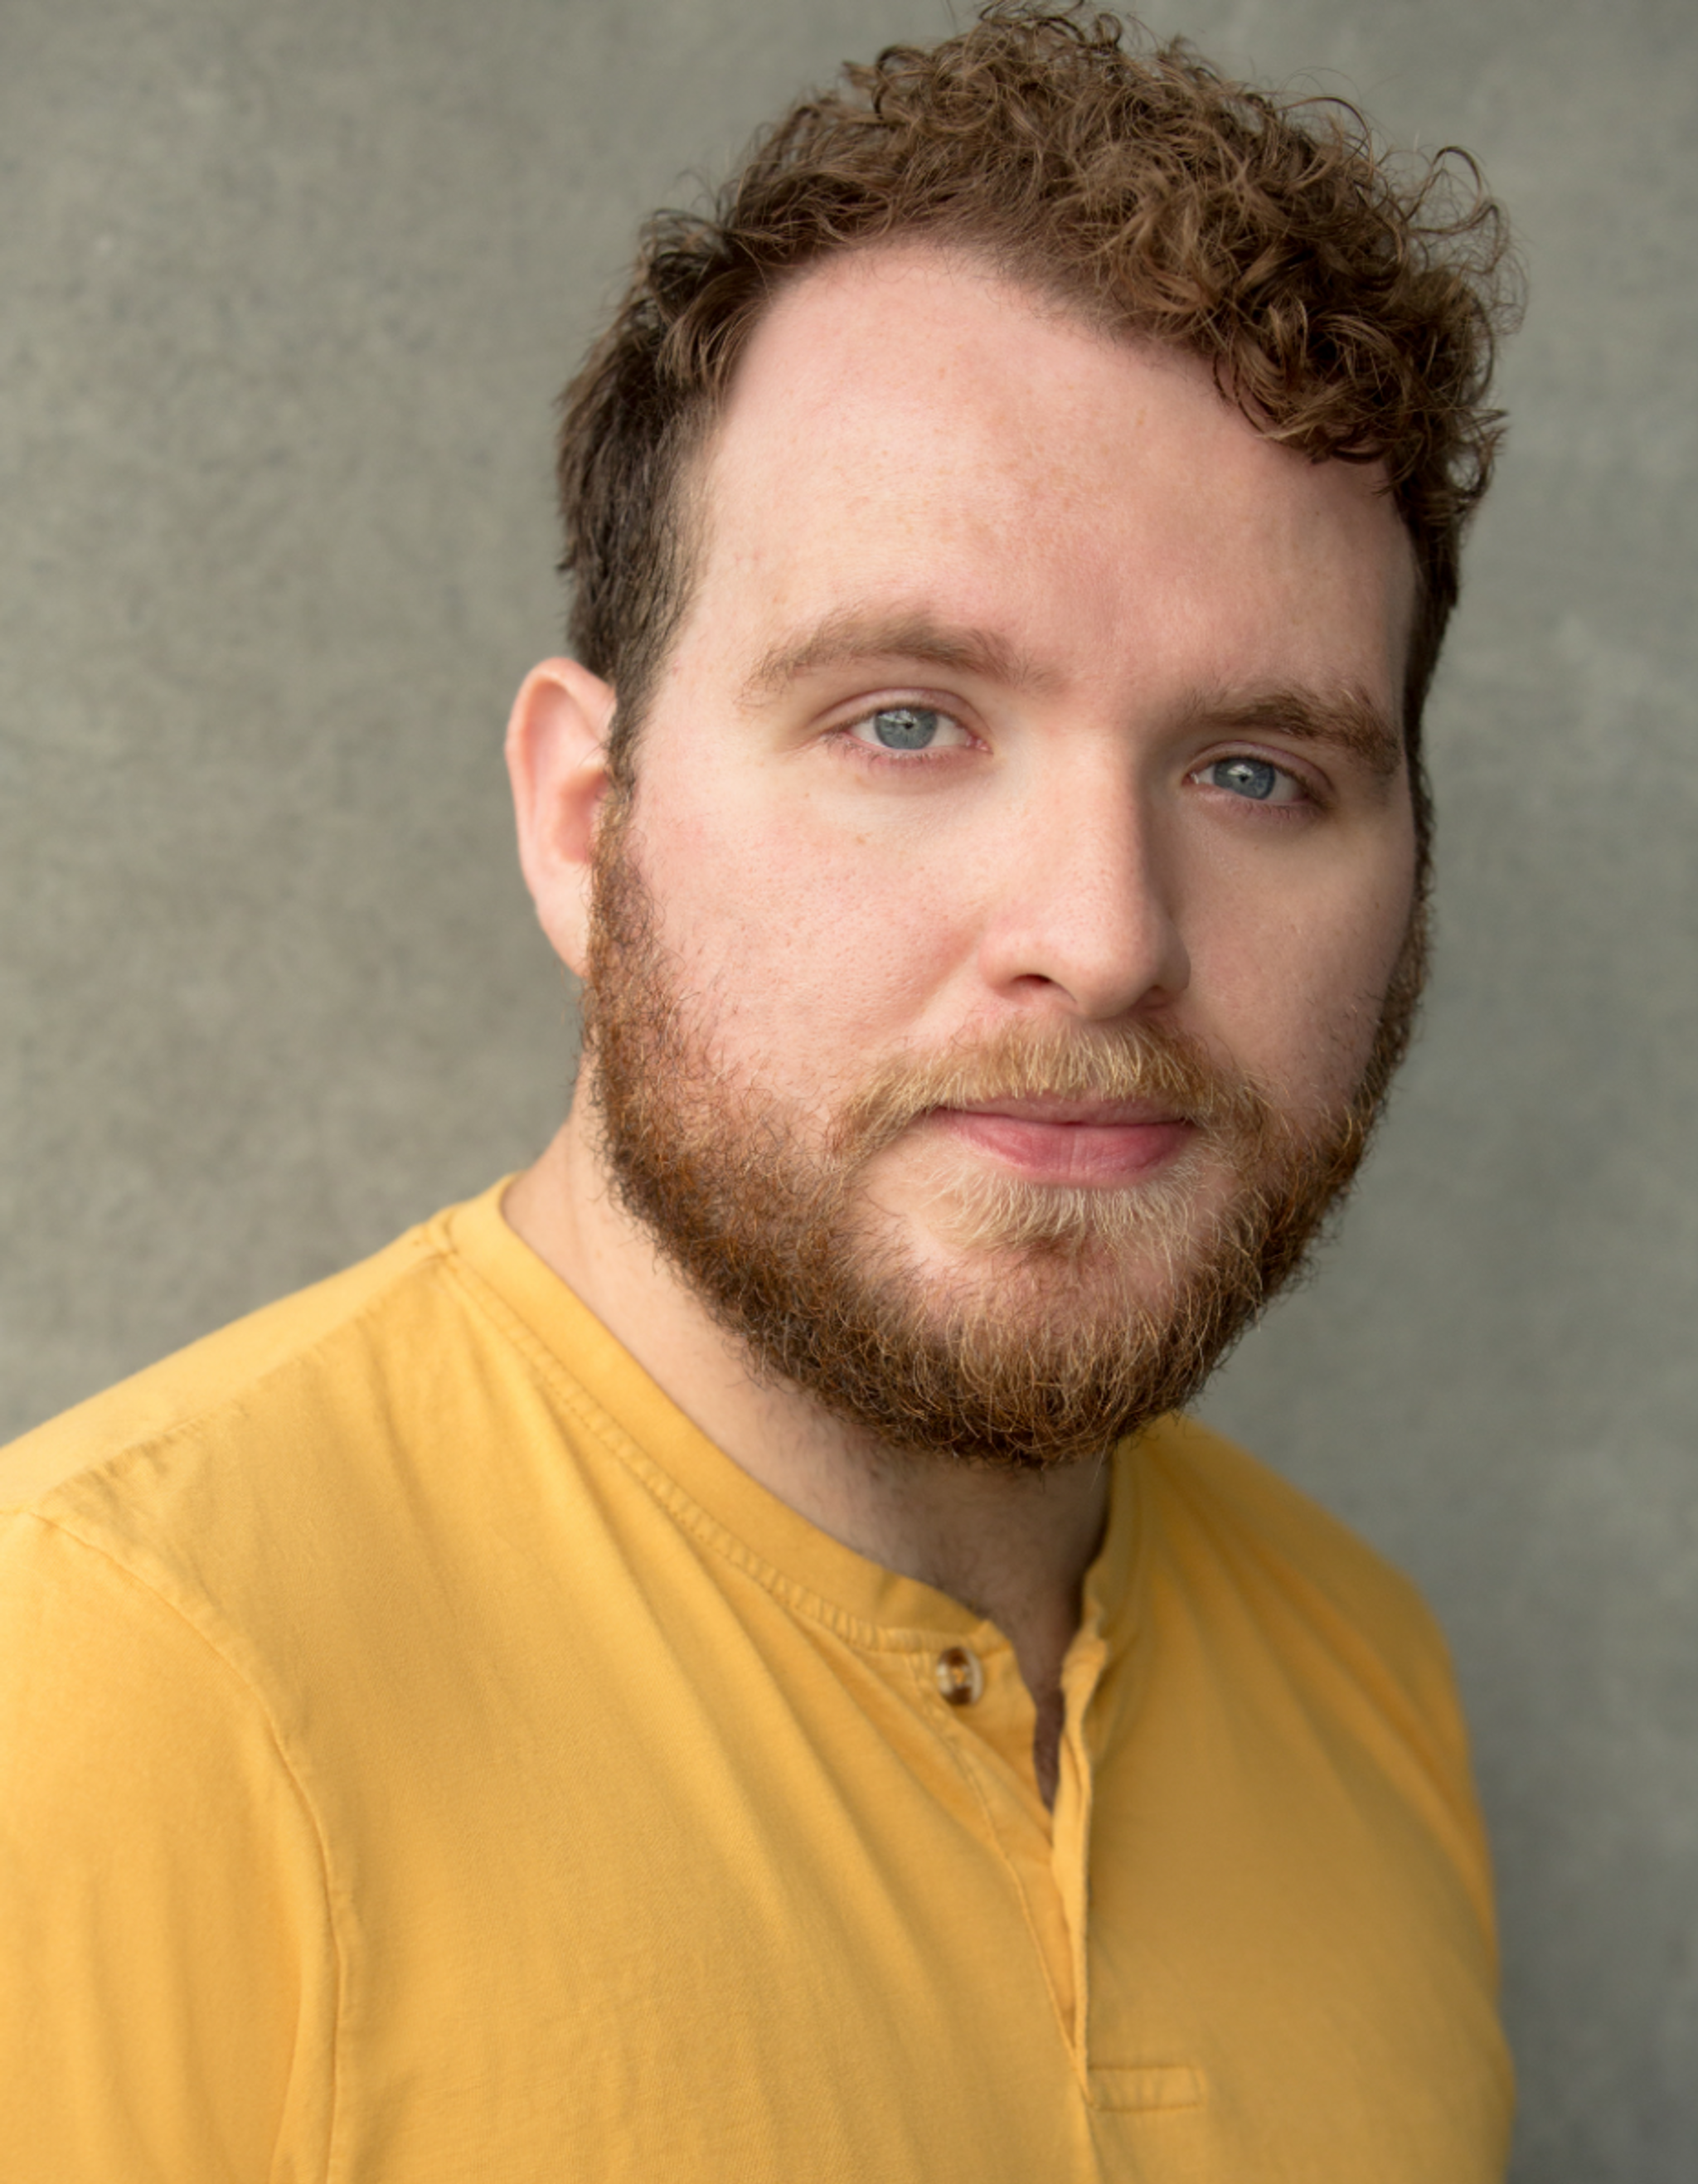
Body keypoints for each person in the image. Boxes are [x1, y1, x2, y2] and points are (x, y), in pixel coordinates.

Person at [1, 7, 1521, 2177]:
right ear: (583, 820)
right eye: (907, 724)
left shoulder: (1371, 1689)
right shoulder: (101, 1700)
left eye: (1258, 770)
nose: (1104, 932)